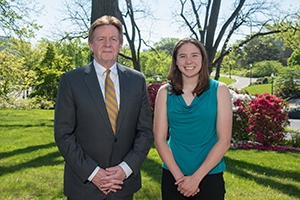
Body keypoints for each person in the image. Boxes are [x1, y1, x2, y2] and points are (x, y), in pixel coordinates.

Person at [54, 15, 153, 200]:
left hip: (123, 186)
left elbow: (145, 132)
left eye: (113, 39)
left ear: (120, 45)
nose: (107, 44)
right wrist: (93, 173)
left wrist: (125, 169)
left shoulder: (137, 80)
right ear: (91, 45)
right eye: (101, 39)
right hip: (84, 188)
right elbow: (63, 133)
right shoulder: (71, 81)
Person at [153, 38, 232, 199]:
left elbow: (224, 141)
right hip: (173, 177)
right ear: (175, 61)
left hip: (209, 176)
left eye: (194, 55)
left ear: (203, 59)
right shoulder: (164, 92)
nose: (188, 61)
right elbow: (159, 140)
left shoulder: (219, 90)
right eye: (182, 56)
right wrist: (179, 178)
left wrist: (196, 179)